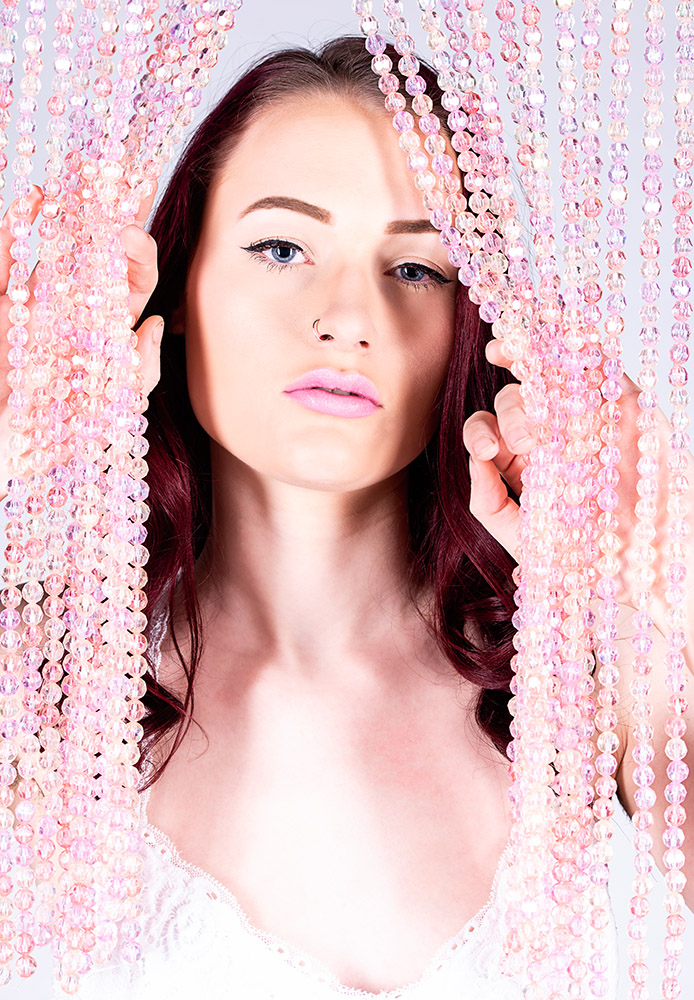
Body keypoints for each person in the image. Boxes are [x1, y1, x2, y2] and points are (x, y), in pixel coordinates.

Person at [0, 34, 689, 1000]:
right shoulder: (43, 675)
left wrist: (676, 564)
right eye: (282, 249)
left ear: (471, 322)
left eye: (415, 269)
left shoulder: (587, 677)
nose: (350, 318)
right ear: (176, 287)